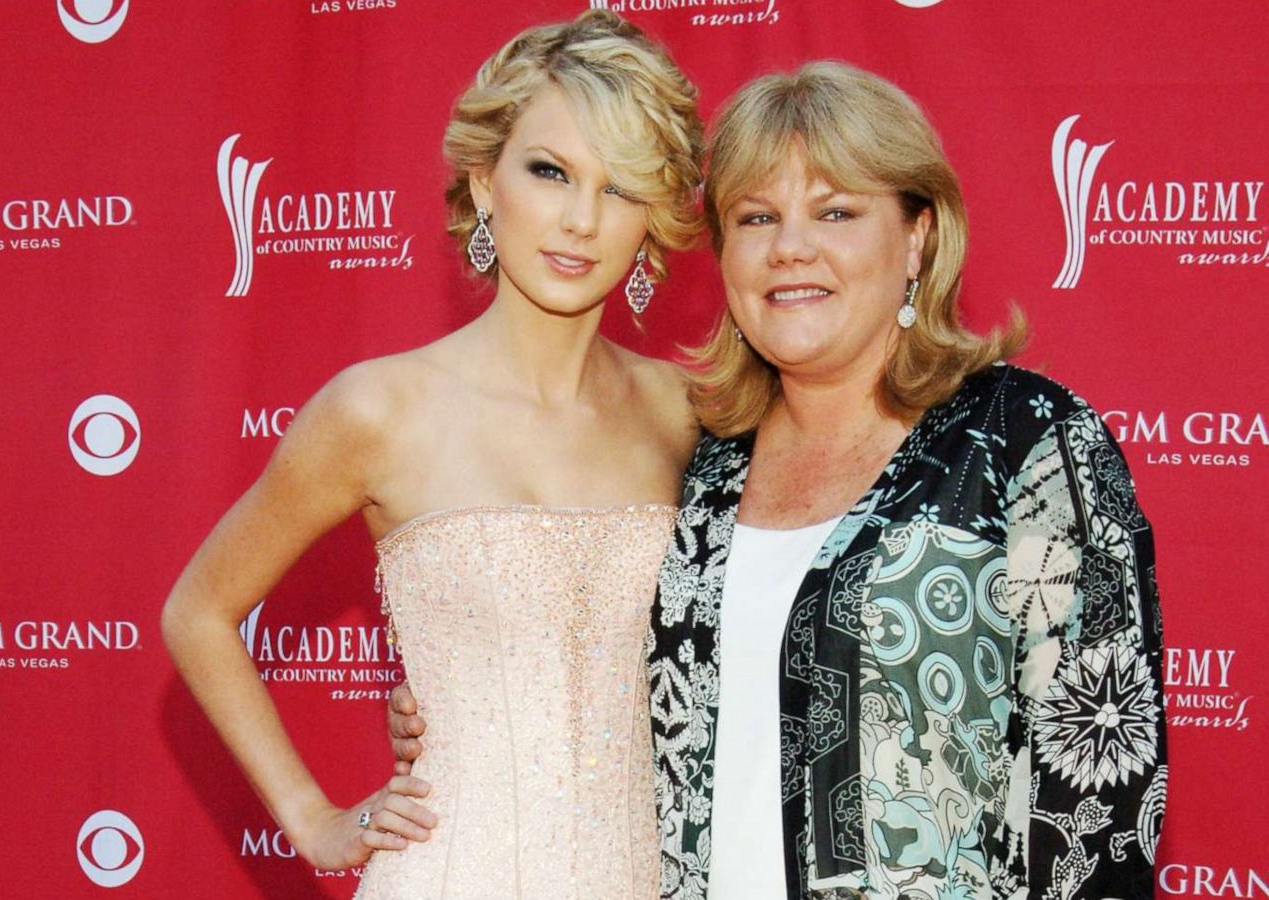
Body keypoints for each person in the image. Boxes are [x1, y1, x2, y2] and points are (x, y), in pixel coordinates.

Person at [393, 62, 1168, 899]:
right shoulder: (706, 461)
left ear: (917, 235)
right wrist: (461, 686)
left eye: (836, 211)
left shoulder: (1026, 442)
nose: (791, 246)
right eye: (757, 217)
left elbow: (1101, 798)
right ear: (725, 257)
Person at [161, 10, 704, 898]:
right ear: (486, 181)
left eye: (620, 187)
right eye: (550, 171)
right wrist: (311, 816)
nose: (578, 220)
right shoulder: (377, 410)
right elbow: (198, 612)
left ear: (656, 216)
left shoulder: (687, 412)